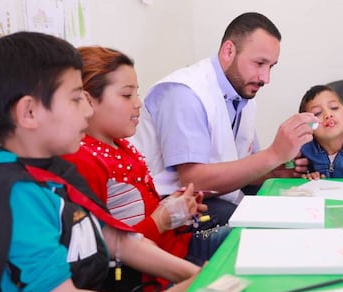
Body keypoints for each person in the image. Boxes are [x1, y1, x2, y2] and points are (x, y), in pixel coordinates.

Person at [0, 31, 200, 292]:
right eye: (75, 99)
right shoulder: (16, 194)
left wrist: (198, 277)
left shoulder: (58, 169)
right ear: (29, 112)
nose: (87, 110)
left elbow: (119, 241)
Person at [132, 12, 318, 226]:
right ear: (228, 51)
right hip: (166, 213)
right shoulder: (185, 93)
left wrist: (273, 171)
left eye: (271, 67)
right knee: (256, 227)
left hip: (212, 199)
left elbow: (236, 168)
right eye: (259, 63)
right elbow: (193, 181)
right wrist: (273, 154)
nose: (266, 78)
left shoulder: (244, 98)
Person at [62, 46, 231, 279]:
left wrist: (178, 208)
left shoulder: (123, 146)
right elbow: (107, 248)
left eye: (137, 93)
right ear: (89, 101)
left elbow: (148, 215)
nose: (138, 103)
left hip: (180, 247)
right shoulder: (85, 160)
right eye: (126, 95)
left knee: (247, 239)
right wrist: (161, 220)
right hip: (151, 276)